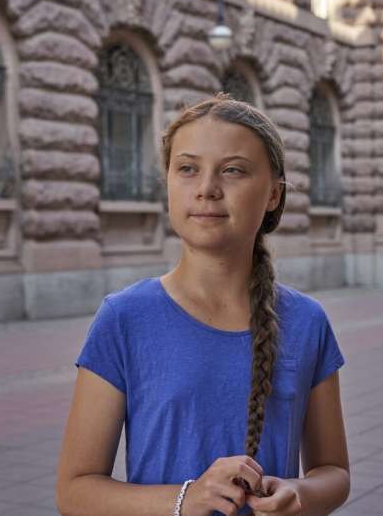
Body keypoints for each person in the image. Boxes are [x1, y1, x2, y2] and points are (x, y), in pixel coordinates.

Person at [56, 94, 350, 516]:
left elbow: (334, 472)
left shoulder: (307, 321)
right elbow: (74, 491)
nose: (207, 189)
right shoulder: (124, 318)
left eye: (233, 170)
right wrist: (184, 499)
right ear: (168, 183)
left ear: (273, 194)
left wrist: (299, 493)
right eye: (188, 169)